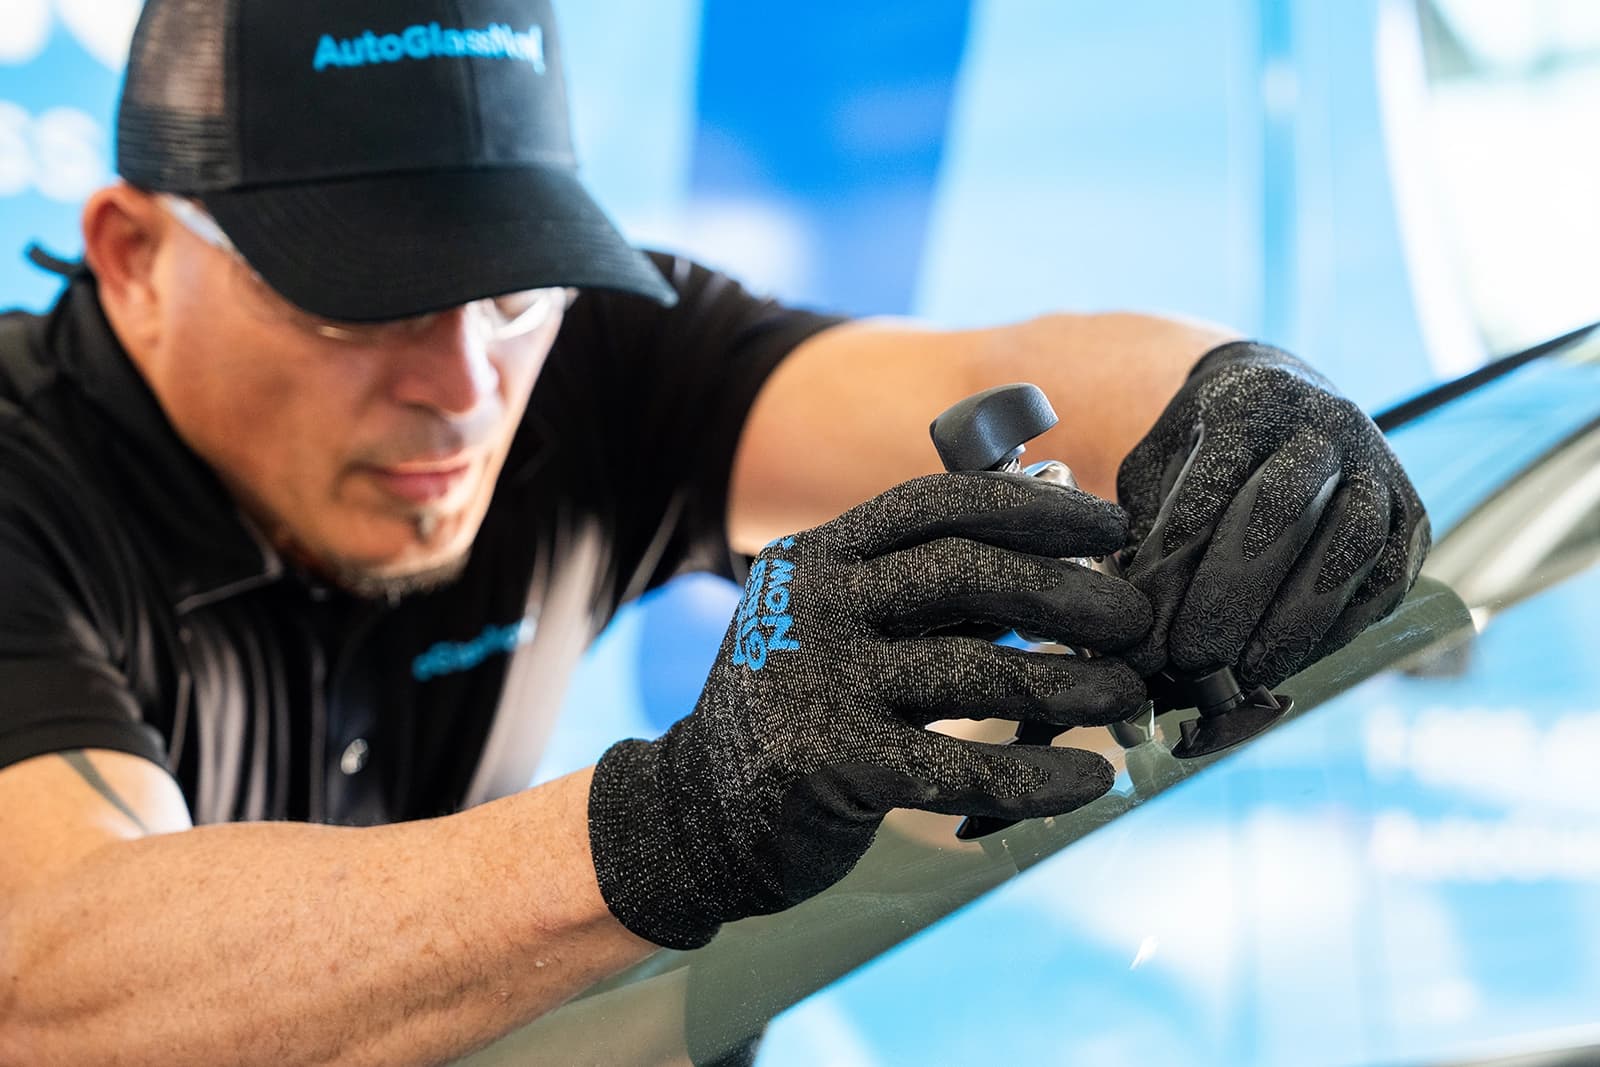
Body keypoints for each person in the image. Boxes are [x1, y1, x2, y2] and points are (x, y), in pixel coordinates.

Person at [0, 1, 1430, 1064]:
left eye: (511, 295)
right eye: (362, 305)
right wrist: (673, 821)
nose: (463, 390)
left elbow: (992, 383)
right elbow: (53, 976)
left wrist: (1250, 401)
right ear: (133, 257)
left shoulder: (589, 365)